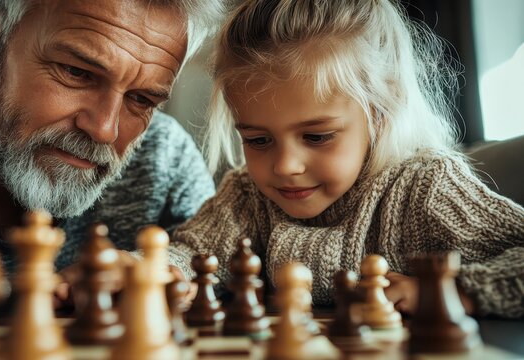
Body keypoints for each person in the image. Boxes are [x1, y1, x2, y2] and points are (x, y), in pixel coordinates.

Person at [169, 0, 524, 318]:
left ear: (379, 113)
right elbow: (191, 251)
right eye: (258, 140)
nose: (285, 166)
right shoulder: (246, 197)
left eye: (317, 136)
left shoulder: (425, 189)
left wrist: (454, 291)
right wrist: (167, 271)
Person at [0, 0, 224, 291]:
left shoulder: (166, 161)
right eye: (76, 72)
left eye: (142, 99)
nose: (105, 130)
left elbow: (218, 268)